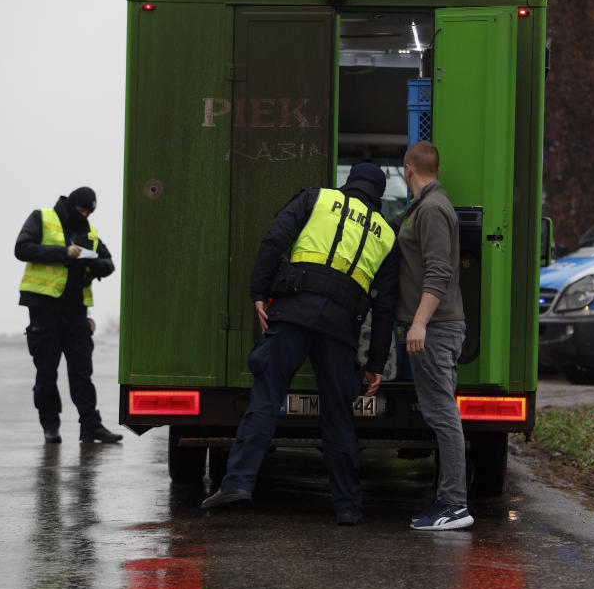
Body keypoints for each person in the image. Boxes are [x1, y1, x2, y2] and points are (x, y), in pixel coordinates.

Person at [201, 163, 399, 525]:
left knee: (266, 395)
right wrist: (375, 364)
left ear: (348, 183)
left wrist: (259, 292)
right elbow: (386, 307)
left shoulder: (316, 199)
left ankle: (239, 484)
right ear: (379, 196)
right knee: (338, 416)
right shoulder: (386, 234)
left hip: (293, 312)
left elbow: (275, 240)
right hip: (340, 329)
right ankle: (347, 506)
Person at [396, 141, 473, 531]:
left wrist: (419, 323)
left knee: (443, 415)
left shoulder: (431, 209)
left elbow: (439, 272)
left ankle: (454, 505)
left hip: (437, 328)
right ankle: (449, 501)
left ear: (407, 169)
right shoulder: (425, 206)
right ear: (436, 170)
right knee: (440, 413)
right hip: (437, 326)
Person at [15, 187, 122, 444]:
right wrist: (63, 253)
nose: (84, 214)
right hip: (45, 311)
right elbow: (22, 249)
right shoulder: (42, 218)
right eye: (82, 209)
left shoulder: (90, 232)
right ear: (71, 205)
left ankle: (91, 427)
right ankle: (50, 427)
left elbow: (108, 264)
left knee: (82, 373)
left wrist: (90, 262)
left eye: (89, 211)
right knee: (46, 373)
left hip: (77, 313)